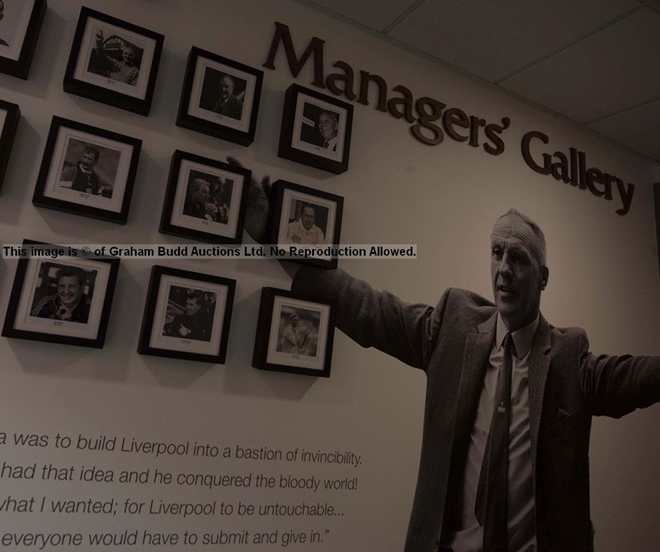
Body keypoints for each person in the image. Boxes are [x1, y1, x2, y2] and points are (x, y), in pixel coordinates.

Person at [234, 160, 660, 552]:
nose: (503, 269)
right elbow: (365, 307)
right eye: (497, 253)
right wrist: (274, 241)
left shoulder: (568, 356)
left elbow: (634, 377)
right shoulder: (453, 328)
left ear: (543, 276)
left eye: (519, 258)